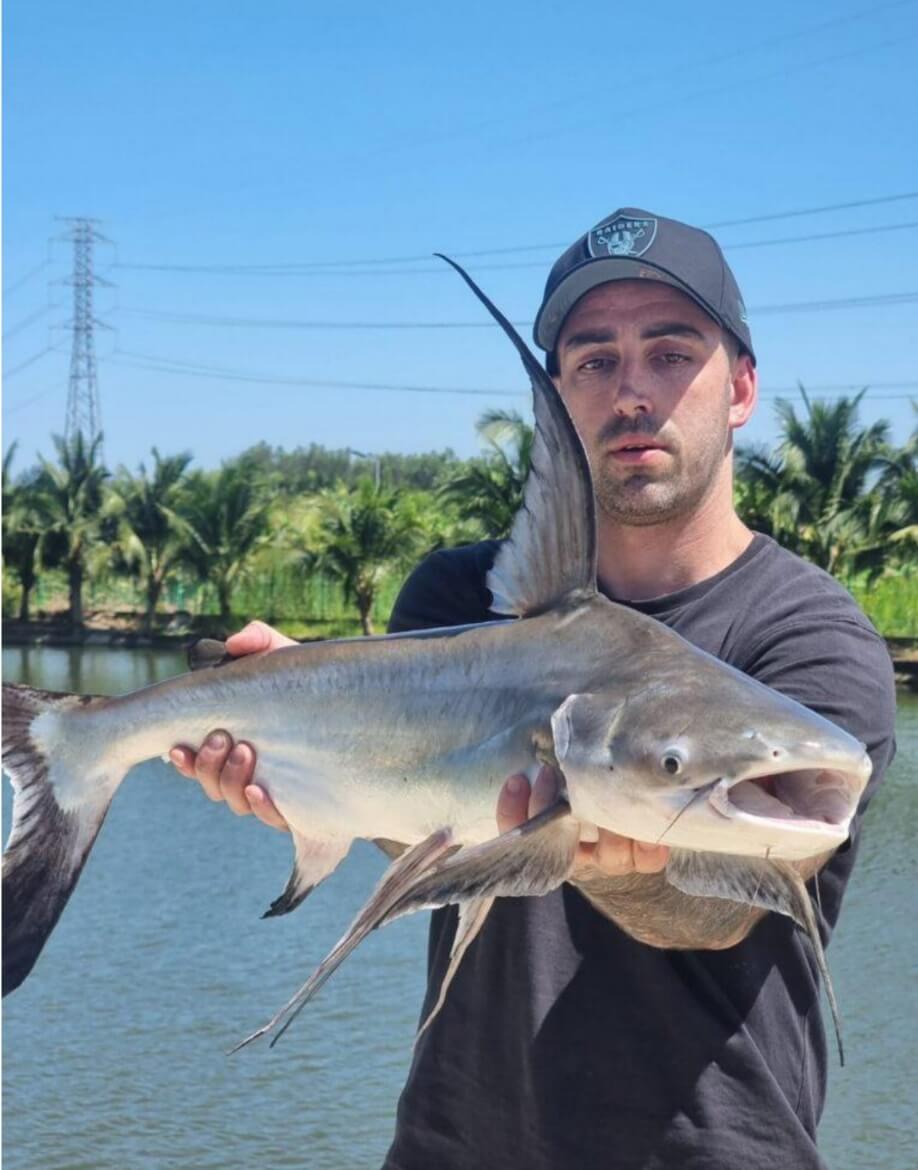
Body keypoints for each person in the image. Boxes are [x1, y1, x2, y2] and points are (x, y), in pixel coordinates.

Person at [170, 208, 897, 1169]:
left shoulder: (810, 639)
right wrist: (318, 758)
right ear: (557, 392)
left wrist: (598, 854)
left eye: (671, 354)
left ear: (741, 388)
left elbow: (726, 910)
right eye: (594, 361)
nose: (631, 392)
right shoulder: (460, 598)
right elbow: (425, 823)